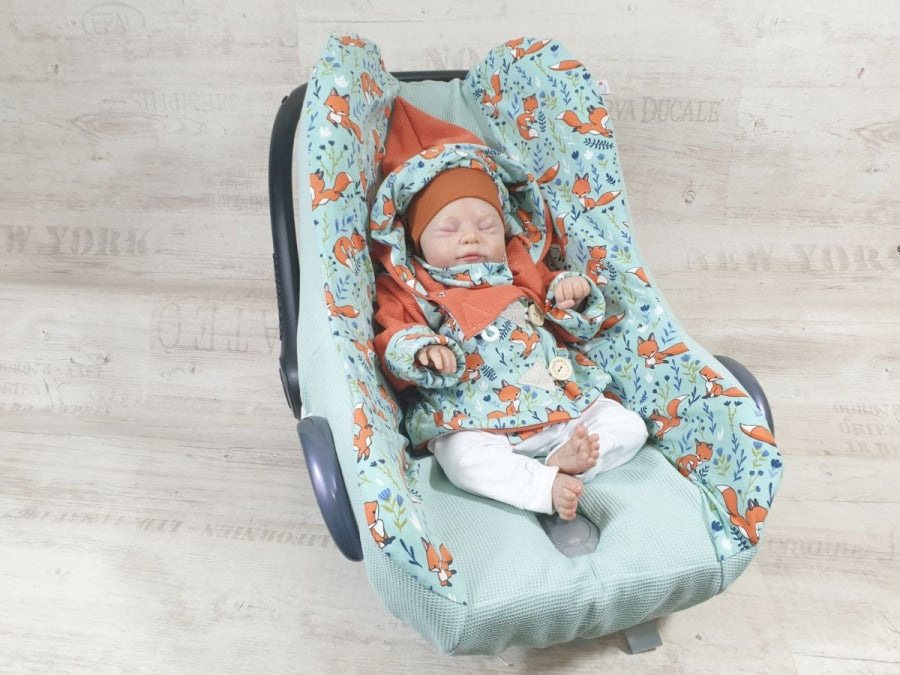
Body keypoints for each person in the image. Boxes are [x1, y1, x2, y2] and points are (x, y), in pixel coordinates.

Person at [372, 98, 648, 520]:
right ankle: (543, 485)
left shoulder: (518, 269)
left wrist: (570, 294)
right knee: (461, 457)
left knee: (629, 425)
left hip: (554, 397)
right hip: (476, 413)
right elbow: (393, 335)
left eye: (486, 226)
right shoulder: (413, 287)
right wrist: (422, 349)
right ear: (416, 240)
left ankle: (570, 460)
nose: (470, 237)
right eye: (448, 228)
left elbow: (561, 318)